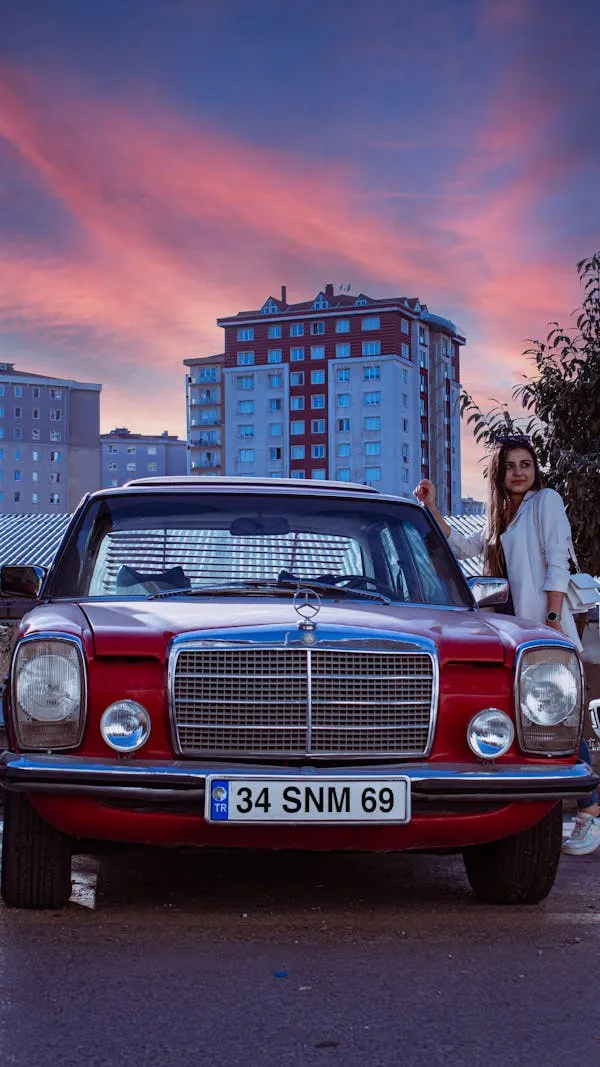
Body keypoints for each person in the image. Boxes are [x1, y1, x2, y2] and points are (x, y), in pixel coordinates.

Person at [414, 435, 600, 856]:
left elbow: (557, 560)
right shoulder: (500, 516)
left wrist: (552, 619)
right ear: (499, 474)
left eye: (526, 465)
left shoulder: (545, 502)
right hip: (507, 630)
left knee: (555, 717)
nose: (519, 472)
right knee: (531, 719)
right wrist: (431, 506)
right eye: (511, 466)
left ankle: (591, 811)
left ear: (535, 471)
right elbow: (462, 547)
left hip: (538, 626)